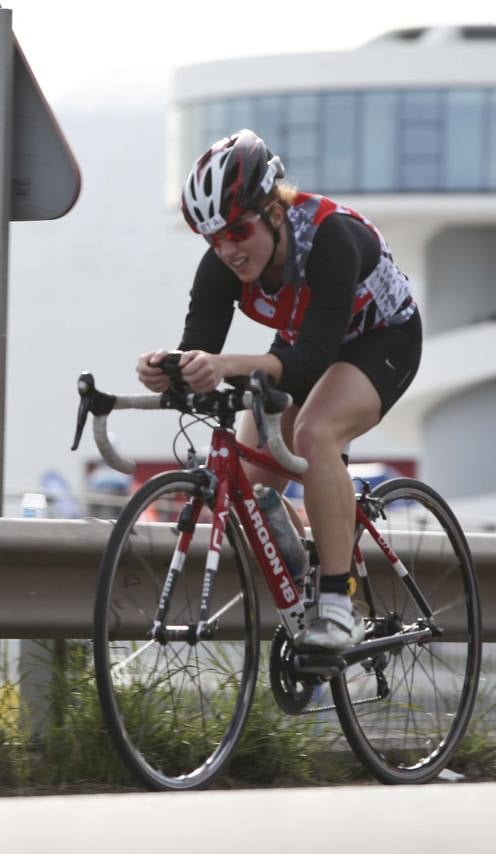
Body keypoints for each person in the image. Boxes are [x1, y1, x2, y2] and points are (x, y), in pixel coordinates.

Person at [136, 129, 422, 651]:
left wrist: (222, 364)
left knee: (317, 432)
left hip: (382, 340)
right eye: (213, 238)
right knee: (250, 483)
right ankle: (314, 558)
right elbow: (199, 345)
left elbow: (311, 359)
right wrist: (170, 368)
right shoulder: (225, 262)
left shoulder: (330, 239)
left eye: (238, 231)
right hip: (304, 345)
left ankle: (338, 602)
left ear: (272, 208)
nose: (227, 249)